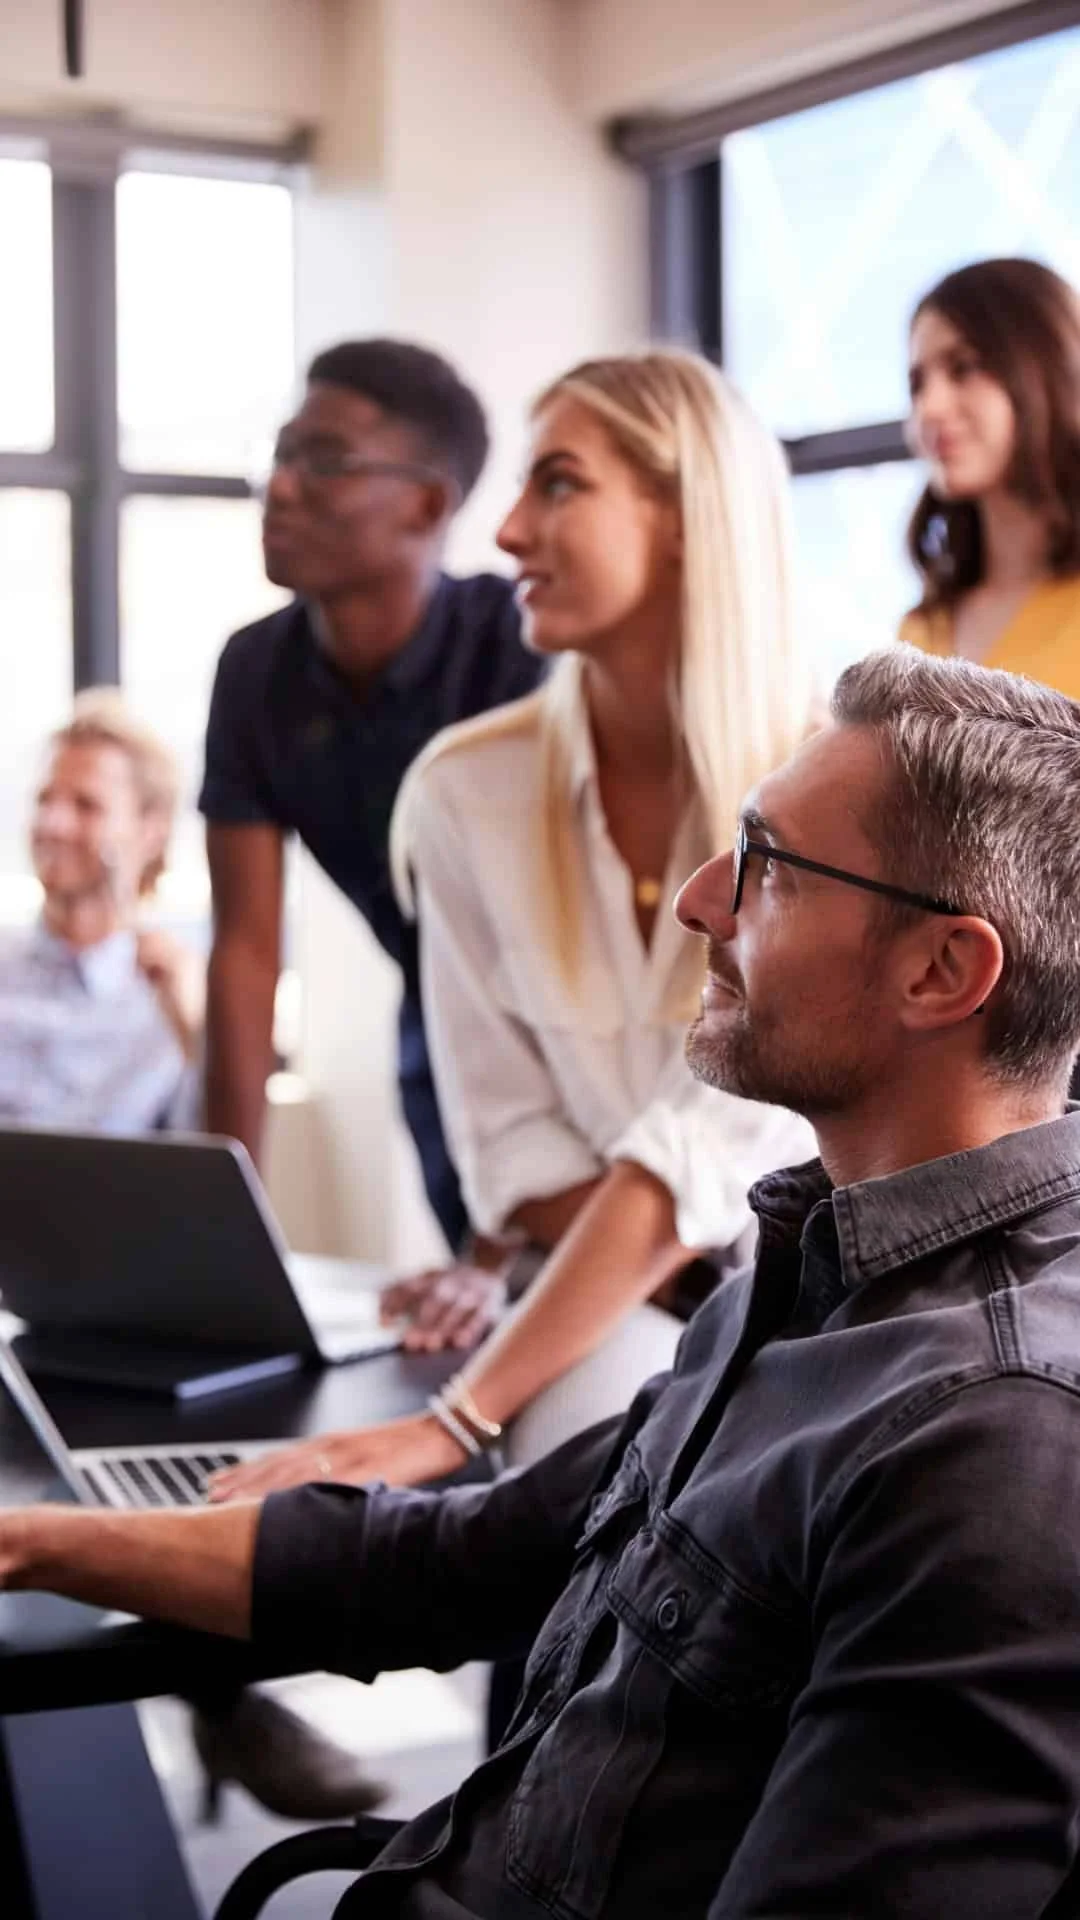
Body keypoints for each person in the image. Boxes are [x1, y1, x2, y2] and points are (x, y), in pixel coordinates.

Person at [7, 648, 1080, 1915]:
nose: (699, 899)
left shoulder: (994, 1446)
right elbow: (457, 1559)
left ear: (942, 971)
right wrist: (33, 1540)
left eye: (767, 863)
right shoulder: (787, 1285)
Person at [208, 349, 816, 1509]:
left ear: (686, 513)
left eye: (560, 486)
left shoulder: (838, 776)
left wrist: (455, 1416)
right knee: (574, 1483)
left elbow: (722, 1135)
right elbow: (510, 1159)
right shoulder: (461, 794)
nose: (505, 533)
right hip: (646, 1296)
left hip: (838, 1298)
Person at [201, 337, 545, 1254]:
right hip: (432, 1024)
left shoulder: (521, 652)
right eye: (280, 453)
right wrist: (220, 1237)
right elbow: (244, 955)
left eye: (323, 462)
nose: (281, 486)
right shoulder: (254, 674)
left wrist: (498, 1252)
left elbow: (544, 950)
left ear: (428, 505)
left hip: (569, 1041)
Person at [0, 691, 202, 1128]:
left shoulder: (174, 999)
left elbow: (207, 1166)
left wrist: (194, 1032)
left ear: (150, 829)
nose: (53, 824)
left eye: (85, 805)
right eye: (44, 801)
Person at [901, 256, 1080, 695]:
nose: (929, 408)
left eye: (963, 368)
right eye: (917, 383)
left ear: (1046, 372)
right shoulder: (920, 630)